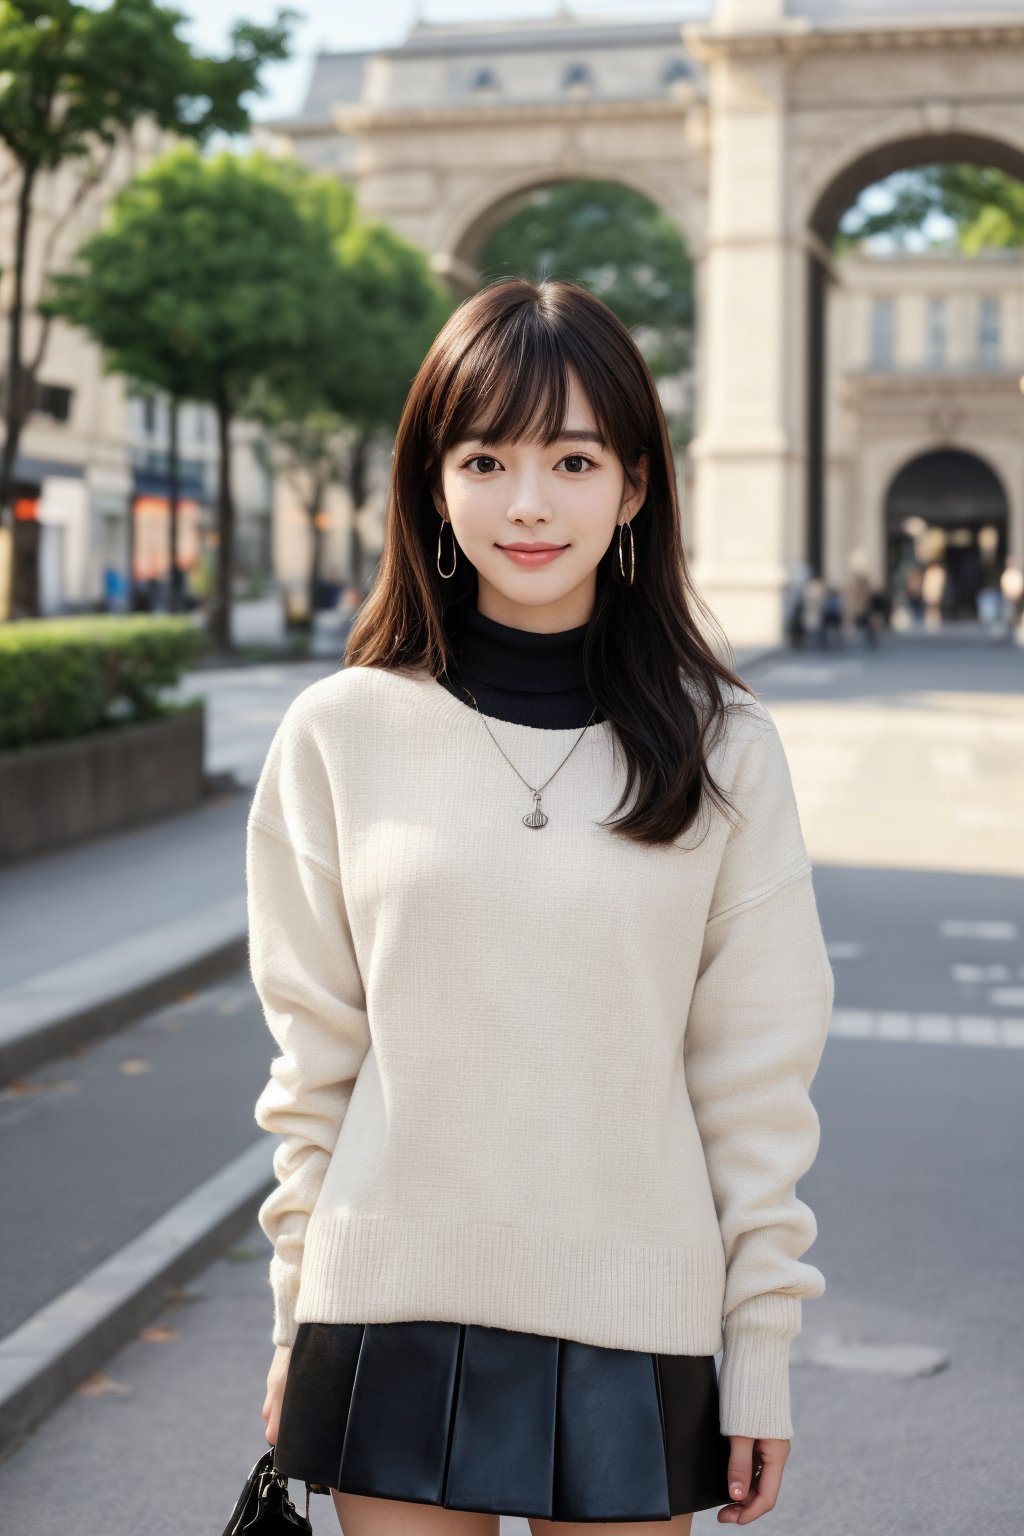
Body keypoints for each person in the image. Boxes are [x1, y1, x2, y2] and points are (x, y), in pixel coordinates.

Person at [247, 277, 834, 1535]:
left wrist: (763, 1345)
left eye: (571, 459)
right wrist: (297, 1314)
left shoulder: (723, 746)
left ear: (633, 487)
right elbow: (315, 1070)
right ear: (430, 482)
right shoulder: (339, 734)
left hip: (635, 1310)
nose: (525, 503)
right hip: (388, 1306)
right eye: (484, 457)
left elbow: (755, 1078)